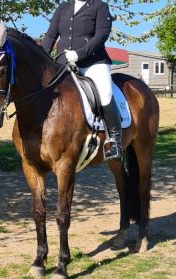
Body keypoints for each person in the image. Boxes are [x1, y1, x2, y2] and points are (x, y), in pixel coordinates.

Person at [42, 0, 122, 161]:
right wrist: (42, 59)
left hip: (93, 62)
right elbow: (51, 34)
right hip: (63, 62)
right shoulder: (63, 7)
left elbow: (101, 35)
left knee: (104, 93)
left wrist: (80, 53)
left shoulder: (99, 6)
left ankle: (114, 141)